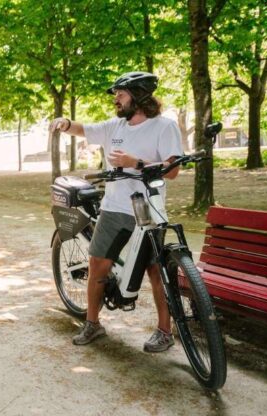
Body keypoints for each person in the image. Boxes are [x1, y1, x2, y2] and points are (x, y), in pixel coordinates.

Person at [49, 71, 183, 352]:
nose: (116, 100)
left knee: (156, 270)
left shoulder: (164, 127)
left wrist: (136, 163)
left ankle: (164, 331)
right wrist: (65, 123)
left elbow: (172, 170)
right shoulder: (115, 127)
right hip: (114, 208)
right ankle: (93, 322)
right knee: (98, 263)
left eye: (121, 95)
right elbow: (85, 129)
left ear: (140, 95)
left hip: (148, 210)